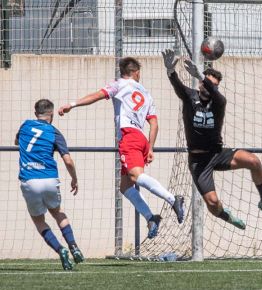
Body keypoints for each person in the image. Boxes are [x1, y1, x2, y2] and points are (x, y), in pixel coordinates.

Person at [58, 57, 184, 239]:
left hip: (129, 136)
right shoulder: (146, 93)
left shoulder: (119, 84)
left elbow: (96, 96)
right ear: (137, 72)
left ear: (124, 72)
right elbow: (154, 123)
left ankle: (173, 199)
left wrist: (72, 104)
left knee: (135, 176)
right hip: (141, 138)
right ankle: (151, 218)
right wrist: (151, 148)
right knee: (125, 187)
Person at [162, 49, 262, 230]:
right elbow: (177, 86)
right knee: (213, 203)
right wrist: (170, 71)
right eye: (206, 84)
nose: (209, 88)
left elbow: (215, 93)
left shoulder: (218, 102)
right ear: (200, 85)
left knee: (253, 160)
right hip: (198, 160)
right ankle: (228, 216)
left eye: (213, 86)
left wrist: (201, 75)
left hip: (217, 153)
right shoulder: (190, 97)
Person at [16, 99, 84, 270]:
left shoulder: (24, 126)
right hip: (49, 178)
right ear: (52, 114)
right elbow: (67, 160)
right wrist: (74, 179)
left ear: (35, 113)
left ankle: (60, 249)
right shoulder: (54, 132)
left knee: (39, 220)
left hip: (29, 180)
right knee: (58, 212)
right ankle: (73, 246)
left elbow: (17, 142)